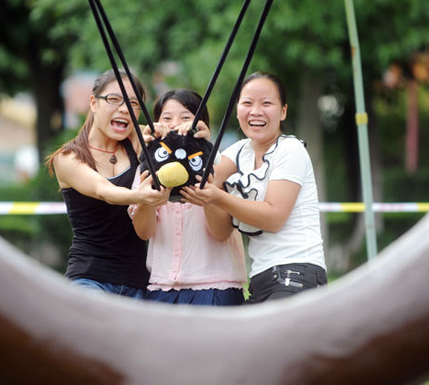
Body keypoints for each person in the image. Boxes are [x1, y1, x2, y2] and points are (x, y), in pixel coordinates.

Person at [181, 72, 327, 304]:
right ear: (237, 108)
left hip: (298, 272)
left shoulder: (290, 149)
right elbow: (219, 228)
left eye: (266, 103)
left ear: (283, 111)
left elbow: (273, 217)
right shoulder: (238, 152)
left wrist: (216, 196)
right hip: (260, 279)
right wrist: (194, 143)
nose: (255, 111)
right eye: (247, 103)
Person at [45, 69, 170, 299]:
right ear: (93, 103)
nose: (124, 109)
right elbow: (104, 191)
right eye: (114, 99)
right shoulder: (68, 157)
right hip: (89, 278)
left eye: (133, 104)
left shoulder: (137, 141)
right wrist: (141, 196)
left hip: (139, 282)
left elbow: (177, 147)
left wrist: (169, 134)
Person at [129, 89, 247, 306]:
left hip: (216, 287)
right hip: (162, 288)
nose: (175, 124)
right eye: (166, 118)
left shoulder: (218, 163)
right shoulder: (149, 168)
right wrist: (149, 196)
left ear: (201, 126)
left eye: (185, 117)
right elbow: (144, 232)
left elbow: (221, 232)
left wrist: (208, 195)